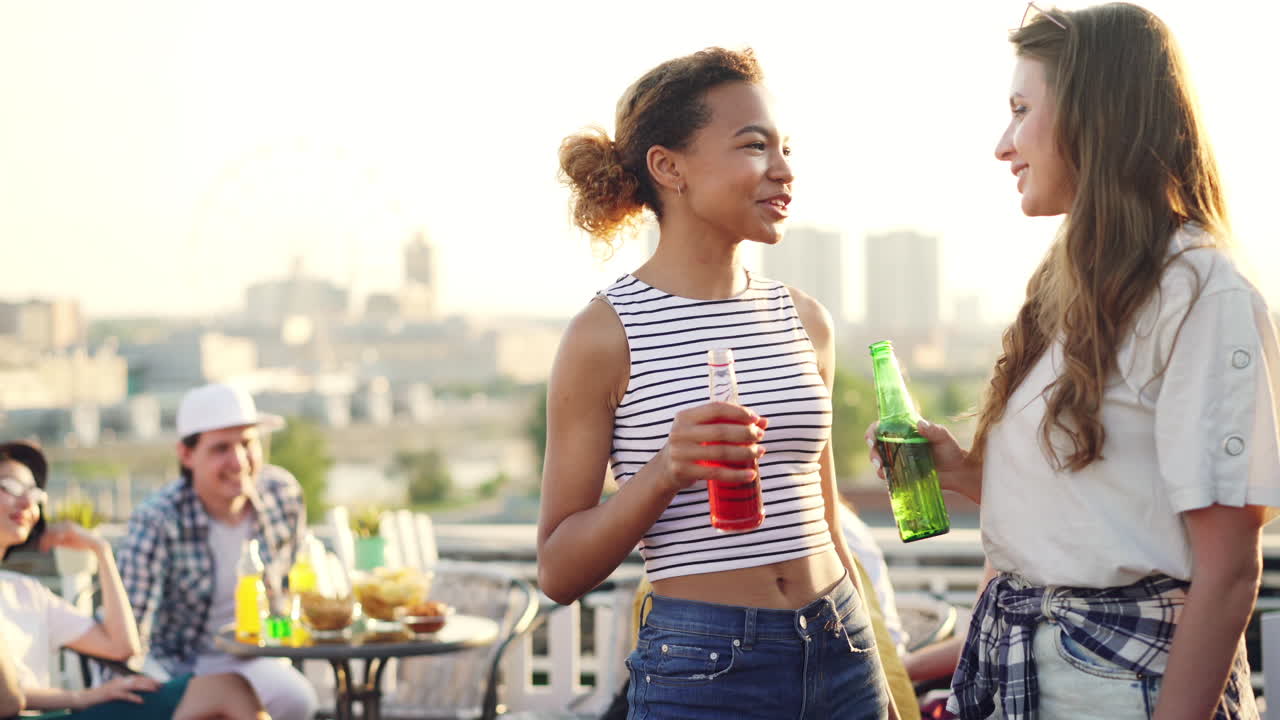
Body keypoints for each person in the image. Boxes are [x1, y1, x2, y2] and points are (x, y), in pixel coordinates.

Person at [868, 4, 1280, 718]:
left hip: (1120, 685)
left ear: (1095, 117)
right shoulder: (1071, 290)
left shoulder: (1203, 293)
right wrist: (962, 471)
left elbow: (1228, 569)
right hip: (1034, 672)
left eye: (1021, 109)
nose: (1003, 144)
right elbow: (1095, 511)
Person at [538, 46, 893, 719]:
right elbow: (558, 571)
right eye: (755, 146)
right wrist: (667, 470)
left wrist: (881, 678)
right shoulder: (603, 335)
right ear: (669, 167)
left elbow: (824, 520)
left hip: (841, 643)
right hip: (705, 669)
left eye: (786, 148)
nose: (784, 170)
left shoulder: (805, 319)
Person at [0, 440, 266, 719]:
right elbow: (7, 702)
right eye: (11, 487)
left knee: (229, 689)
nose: (28, 501)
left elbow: (122, 647)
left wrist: (101, 552)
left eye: (34, 492)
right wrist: (80, 698)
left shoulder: (26, 593)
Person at [117, 384, 319, 720]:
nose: (238, 461)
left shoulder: (282, 494)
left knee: (298, 700)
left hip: (254, 654)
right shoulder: (157, 520)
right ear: (186, 455)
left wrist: (288, 644)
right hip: (179, 664)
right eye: (221, 448)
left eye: (247, 443)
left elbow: (284, 597)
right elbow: (133, 632)